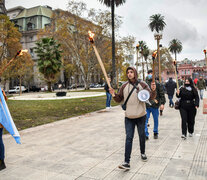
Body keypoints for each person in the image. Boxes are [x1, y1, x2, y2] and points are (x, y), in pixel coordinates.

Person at [109, 67, 156, 170]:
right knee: (129, 138)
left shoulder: (143, 84)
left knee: (141, 135)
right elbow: (119, 98)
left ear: (135, 73)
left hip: (141, 116)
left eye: (131, 72)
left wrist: (153, 90)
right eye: (128, 72)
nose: (129, 74)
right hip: (129, 117)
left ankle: (142, 153)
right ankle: (126, 161)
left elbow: (150, 97)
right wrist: (113, 94)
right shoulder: (124, 86)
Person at [145, 70, 166, 140]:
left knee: (156, 119)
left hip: (155, 105)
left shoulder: (157, 84)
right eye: (149, 73)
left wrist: (162, 103)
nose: (150, 75)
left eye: (151, 73)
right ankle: (145, 133)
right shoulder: (145, 84)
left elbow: (162, 94)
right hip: (147, 105)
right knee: (145, 119)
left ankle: (155, 132)